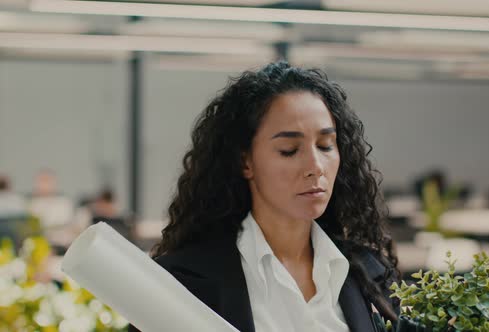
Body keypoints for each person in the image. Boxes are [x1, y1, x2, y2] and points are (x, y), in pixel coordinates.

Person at [131, 62, 400, 332]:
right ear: (245, 162)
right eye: (289, 150)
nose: (315, 166)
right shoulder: (182, 281)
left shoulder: (368, 273)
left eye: (325, 145)